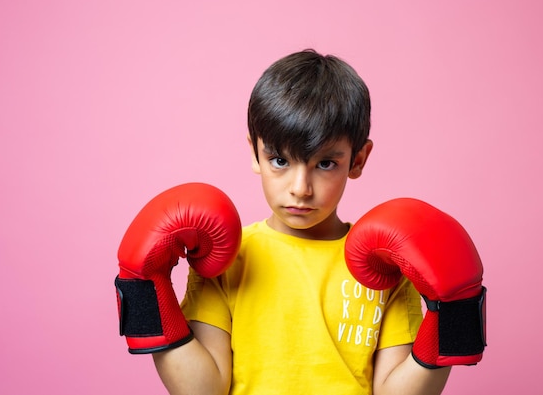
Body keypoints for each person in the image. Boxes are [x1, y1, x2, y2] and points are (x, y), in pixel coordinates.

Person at [149, 49, 453, 395]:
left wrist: (454, 314)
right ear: (254, 153)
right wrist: (145, 289)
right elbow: (203, 391)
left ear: (358, 160)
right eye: (279, 160)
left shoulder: (382, 267)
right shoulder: (227, 258)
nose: (300, 189)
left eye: (325, 164)